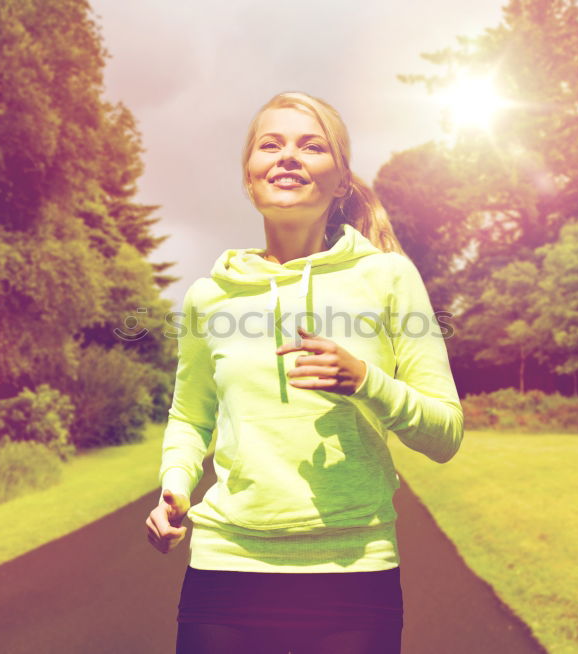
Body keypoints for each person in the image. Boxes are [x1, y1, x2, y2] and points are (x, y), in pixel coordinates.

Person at [145, 90, 465, 654]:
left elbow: (445, 434)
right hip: (226, 574)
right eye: (271, 144)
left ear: (341, 179)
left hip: (354, 578)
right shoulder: (208, 296)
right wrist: (175, 485)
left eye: (310, 145)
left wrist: (366, 381)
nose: (288, 156)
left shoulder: (389, 278)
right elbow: (190, 416)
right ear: (250, 174)